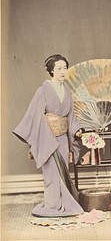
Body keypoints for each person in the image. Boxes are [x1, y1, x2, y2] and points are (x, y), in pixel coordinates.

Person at [13, 54, 85, 217]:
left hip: (62, 140)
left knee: (63, 171)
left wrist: (77, 130)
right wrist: (46, 131)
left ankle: (65, 204)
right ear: (51, 71)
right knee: (52, 174)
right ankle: (53, 205)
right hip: (47, 138)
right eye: (59, 68)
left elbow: (71, 117)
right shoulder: (43, 90)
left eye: (65, 67)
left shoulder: (67, 91)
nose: (63, 71)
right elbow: (34, 115)